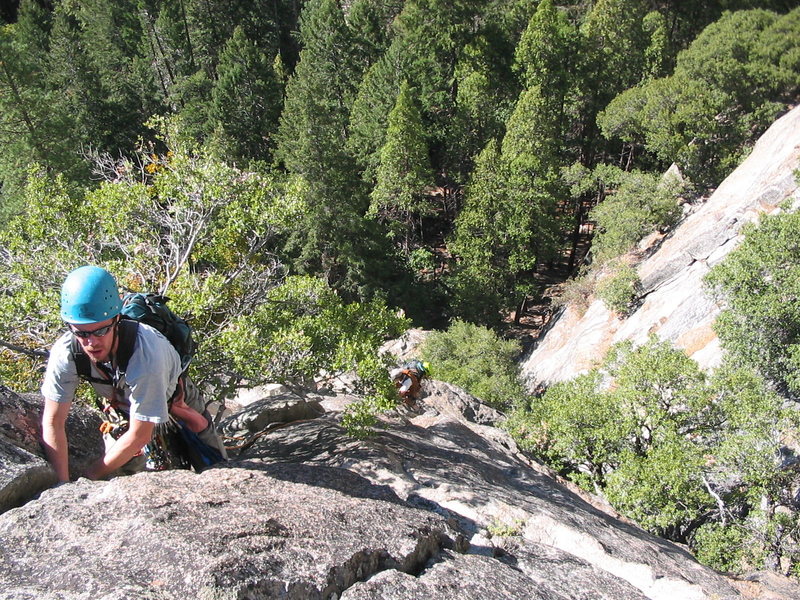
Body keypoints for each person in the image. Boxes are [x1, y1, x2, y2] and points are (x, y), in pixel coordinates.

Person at [41, 265, 225, 482]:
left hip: (174, 398)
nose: (91, 343)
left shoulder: (146, 354)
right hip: (123, 401)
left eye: (100, 331)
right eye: (81, 333)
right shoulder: (67, 353)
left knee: (214, 466)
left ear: (116, 320)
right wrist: (62, 486)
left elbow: (139, 435)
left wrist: (87, 478)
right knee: (130, 467)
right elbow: (53, 421)